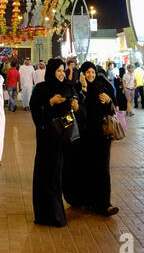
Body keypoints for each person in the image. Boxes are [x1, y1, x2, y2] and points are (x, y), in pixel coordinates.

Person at [29, 58, 79, 227]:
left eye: (62, 70)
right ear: (51, 71)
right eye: (58, 71)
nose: (61, 74)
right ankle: (45, 214)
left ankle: (57, 212)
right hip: (46, 138)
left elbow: (76, 101)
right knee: (45, 173)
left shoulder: (68, 87)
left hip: (63, 138)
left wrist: (75, 103)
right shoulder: (42, 88)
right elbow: (35, 109)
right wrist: (50, 102)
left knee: (58, 174)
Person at [73, 62, 119, 216]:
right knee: (88, 168)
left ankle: (105, 204)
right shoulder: (79, 89)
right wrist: (84, 89)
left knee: (103, 169)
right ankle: (90, 201)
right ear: (82, 74)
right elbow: (80, 109)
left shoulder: (101, 87)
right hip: (86, 136)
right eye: (87, 73)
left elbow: (111, 109)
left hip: (102, 136)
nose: (90, 75)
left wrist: (109, 102)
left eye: (92, 72)